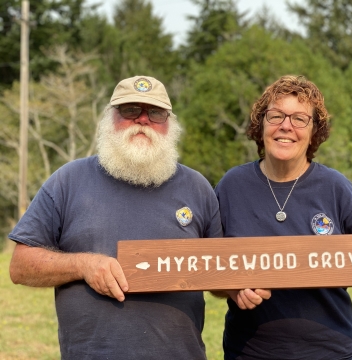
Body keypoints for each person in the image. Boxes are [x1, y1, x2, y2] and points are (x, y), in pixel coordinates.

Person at [9, 75, 222, 359]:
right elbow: (20, 266)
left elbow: (222, 275)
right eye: (130, 110)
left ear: (170, 124)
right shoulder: (68, 181)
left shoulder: (198, 188)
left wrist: (246, 286)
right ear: (110, 119)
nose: (143, 120)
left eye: (155, 113)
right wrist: (83, 265)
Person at [214, 75, 352, 360]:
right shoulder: (231, 186)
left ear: (314, 132)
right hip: (250, 352)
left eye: (299, 119)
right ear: (261, 124)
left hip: (332, 351)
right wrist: (232, 288)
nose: (286, 126)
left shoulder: (335, 186)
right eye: (275, 116)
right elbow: (210, 269)